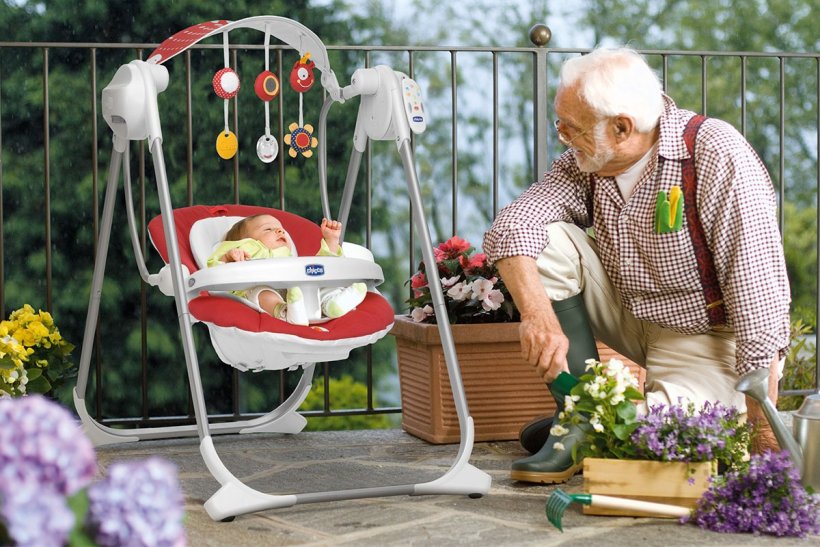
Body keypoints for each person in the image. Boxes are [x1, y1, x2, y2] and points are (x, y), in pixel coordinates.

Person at [483, 47, 790, 484]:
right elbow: (514, 223)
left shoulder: (715, 153)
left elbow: (757, 291)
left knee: (676, 448)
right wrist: (537, 313)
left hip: (706, 338)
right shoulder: (589, 161)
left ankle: (598, 419)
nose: (563, 138)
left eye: (571, 129)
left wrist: (763, 425)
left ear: (621, 127)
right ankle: (582, 419)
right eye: (560, 125)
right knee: (544, 240)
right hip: (631, 314)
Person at [207, 214, 367, 325]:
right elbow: (215, 272)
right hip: (262, 291)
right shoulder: (247, 249)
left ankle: (332, 303)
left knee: (317, 276)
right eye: (268, 229)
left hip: (297, 292)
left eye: (281, 229)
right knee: (260, 292)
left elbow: (321, 265)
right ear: (246, 240)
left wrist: (331, 241)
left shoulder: (289, 257)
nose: (280, 231)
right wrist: (228, 257)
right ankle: (284, 312)